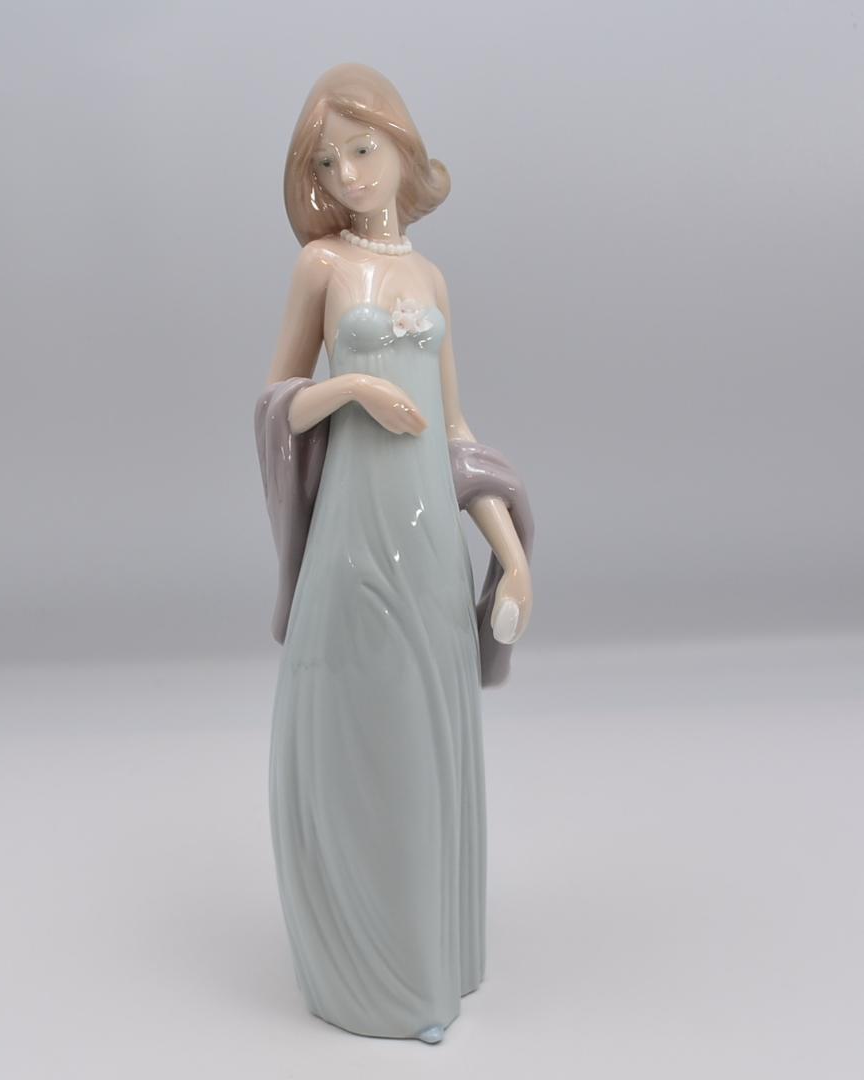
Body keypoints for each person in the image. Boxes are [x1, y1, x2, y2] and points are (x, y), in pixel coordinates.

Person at [256, 62, 533, 1043]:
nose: (346, 174)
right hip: (353, 534)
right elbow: (277, 402)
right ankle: (373, 977)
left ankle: (426, 961)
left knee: (423, 742)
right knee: (362, 738)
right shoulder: (321, 268)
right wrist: (351, 391)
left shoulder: (429, 277)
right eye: (327, 162)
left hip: (426, 541)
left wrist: (509, 552)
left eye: (361, 149)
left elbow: (456, 432)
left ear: (401, 146)